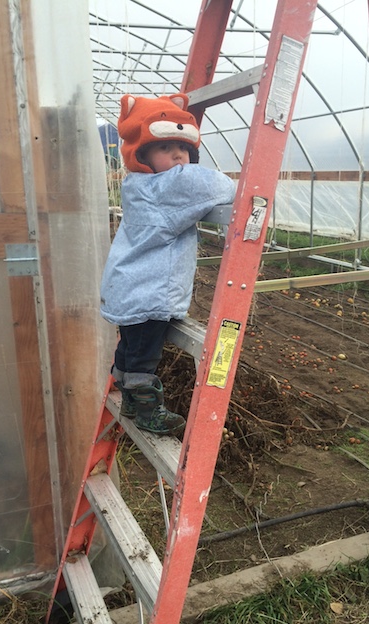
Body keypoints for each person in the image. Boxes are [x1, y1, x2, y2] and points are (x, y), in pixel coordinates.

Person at [100, 93, 236, 435]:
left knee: (129, 348)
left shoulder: (138, 185)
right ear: (142, 156)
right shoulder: (169, 185)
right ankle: (148, 411)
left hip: (126, 287)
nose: (178, 155)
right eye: (165, 148)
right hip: (148, 293)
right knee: (145, 356)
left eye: (184, 148)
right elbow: (220, 186)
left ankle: (129, 400)